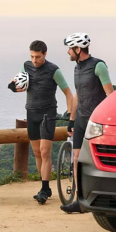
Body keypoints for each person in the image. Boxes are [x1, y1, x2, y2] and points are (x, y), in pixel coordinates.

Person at [14, 40, 75, 205]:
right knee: (37, 153)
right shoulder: (26, 66)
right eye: (32, 56)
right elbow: (19, 83)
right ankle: (45, 187)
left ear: (45, 54)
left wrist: (71, 116)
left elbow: (68, 93)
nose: (34, 60)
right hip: (31, 112)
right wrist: (13, 87)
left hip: (48, 114)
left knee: (45, 151)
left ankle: (44, 188)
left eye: (38, 57)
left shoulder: (53, 70)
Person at [60, 32, 114, 213]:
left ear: (78, 49)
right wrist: (71, 119)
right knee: (76, 160)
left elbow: (110, 95)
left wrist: (107, 120)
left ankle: (105, 197)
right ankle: (79, 200)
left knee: (98, 159)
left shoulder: (98, 66)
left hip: (95, 122)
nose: (68, 52)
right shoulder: (77, 68)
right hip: (81, 119)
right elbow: (77, 95)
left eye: (70, 49)